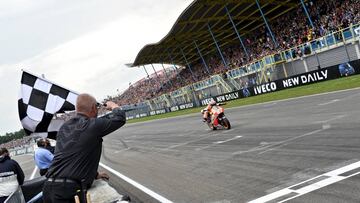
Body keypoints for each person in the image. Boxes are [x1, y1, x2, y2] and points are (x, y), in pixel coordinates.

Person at [43, 93, 126, 203]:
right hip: (67, 192)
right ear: (93, 108)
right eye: (96, 107)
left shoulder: (64, 127)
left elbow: (73, 154)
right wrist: (113, 106)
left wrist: (95, 174)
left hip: (48, 188)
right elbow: (120, 118)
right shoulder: (92, 125)